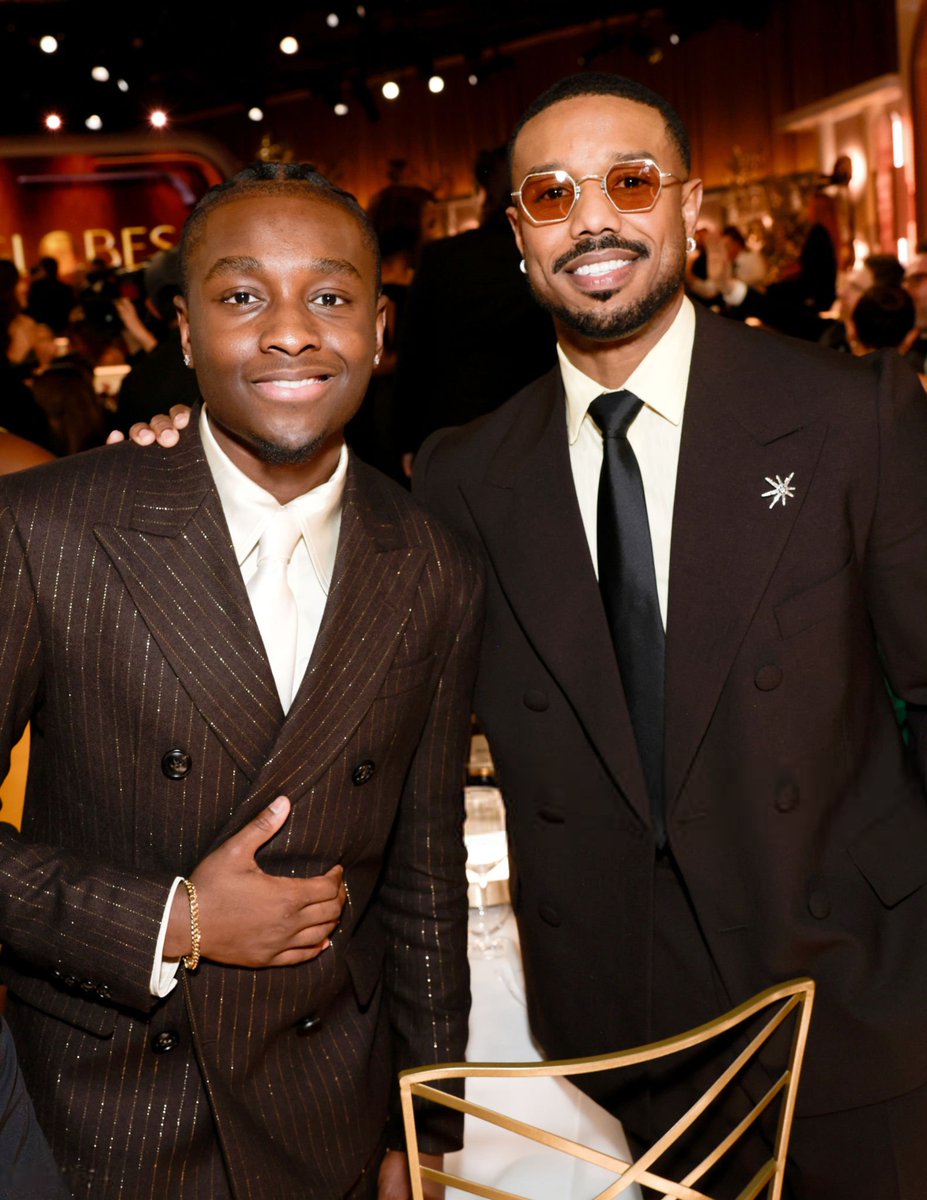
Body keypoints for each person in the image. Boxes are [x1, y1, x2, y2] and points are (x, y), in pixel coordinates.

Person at [412, 74, 927, 1199]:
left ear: (689, 207)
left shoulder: (853, 416)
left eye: (629, 182)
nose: (592, 218)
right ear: (517, 237)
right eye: (551, 195)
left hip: (858, 997)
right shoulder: (465, 475)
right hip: (618, 1033)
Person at [0, 162, 482, 1199]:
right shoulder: (50, 530)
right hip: (104, 1109)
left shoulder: (435, 562)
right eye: (241, 296)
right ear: (182, 331)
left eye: (329, 296)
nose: (291, 331)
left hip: (333, 1117)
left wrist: (425, 1127)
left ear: (380, 327)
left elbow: (425, 872)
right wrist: (173, 922)